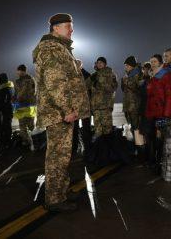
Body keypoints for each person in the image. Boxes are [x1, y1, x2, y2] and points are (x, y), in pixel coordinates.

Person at [33, 13, 90, 212]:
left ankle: (61, 191)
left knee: (63, 155)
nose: (71, 30)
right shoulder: (51, 48)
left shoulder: (60, 48)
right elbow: (54, 82)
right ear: (55, 28)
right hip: (58, 112)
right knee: (58, 156)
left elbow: (61, 75)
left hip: (60, 111)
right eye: (67, 26)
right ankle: (55, 199)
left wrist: (75, 66)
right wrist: (67, 109)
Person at [139, 54, 171, 171]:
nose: (152, 64)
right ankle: (152, 160)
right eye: (151, 62)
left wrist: (166, 114)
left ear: (160, 63)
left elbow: (169, 95)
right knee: (150, 137)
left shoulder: (165, 75)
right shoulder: (151, 77)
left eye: (154, 62)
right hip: (150, 112)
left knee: (160, 139)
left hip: (160, 112)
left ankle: (160, 162)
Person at [87, 57, 118, 138]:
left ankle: (108, 148)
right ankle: (100, 148)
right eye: (98, 62)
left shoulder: (110, 74)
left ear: (105, 64)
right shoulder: (94, 75)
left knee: (107, 129)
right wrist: (91, 80)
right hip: (96, 106)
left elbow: (113, 87)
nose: (99, 64)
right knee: (98, 130)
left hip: (105, 106)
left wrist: (100, 82)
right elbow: (86, 86)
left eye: (101, 62)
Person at [13, 64, 37, 151]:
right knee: (22, 127)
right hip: (21, 106)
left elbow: (33, 92)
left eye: (19, 71)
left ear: (23, 71)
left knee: (31, 126)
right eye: (18, 71)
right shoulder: (17, 81)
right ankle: (27, 142)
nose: (18, 72)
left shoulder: (30, 80)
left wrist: (19, 98)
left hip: (29, 106)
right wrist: (14, 100)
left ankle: (32, 141)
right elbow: (16, 93)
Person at [121, 56, 142, 141]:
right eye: (125, 65)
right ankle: (136, 145)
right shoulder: (128, 75)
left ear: (132, 66)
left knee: (137, 127)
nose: (125, 67)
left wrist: (125, 80)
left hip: (135, 106)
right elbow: (124, 89)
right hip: (128, 105)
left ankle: (140, 146)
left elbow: (136, 88)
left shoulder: (138, 75)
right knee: (133, 127)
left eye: (127, 65)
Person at [0, 73, 14, 149]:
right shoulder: (10, 86)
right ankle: (8, 141)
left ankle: (7, 142)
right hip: (9, 108)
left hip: (5, 110)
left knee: (6, 126)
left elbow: (2, 100)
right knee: (8, 125)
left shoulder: (4, 88)